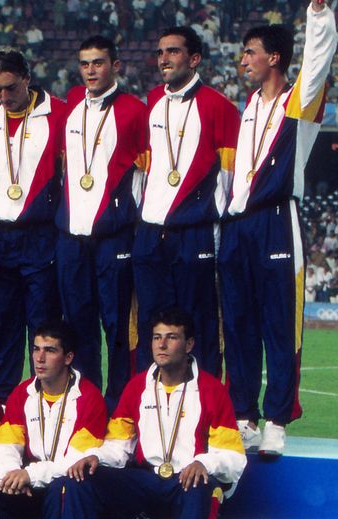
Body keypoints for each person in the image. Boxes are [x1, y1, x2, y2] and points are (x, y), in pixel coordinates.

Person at [221, 0, 338, 456]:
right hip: (240, 224)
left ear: (273, 57)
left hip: (276, 220)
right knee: (240, 323)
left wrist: (317, 15)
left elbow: (318, 59)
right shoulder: (248, 105)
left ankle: (277, 421)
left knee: (279, 325)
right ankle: (244, 415)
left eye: (250, 52)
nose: (243, 60)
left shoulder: (299, 101)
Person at [55, 308, 246, 519]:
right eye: (157, 337)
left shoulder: (211, 390)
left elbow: (234, 458)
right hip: (146, 482)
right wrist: (96, 457)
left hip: (185, 485)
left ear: (189, 344)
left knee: (205, 487)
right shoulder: (137, 387)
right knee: (80, 478)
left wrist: (203, 462)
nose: (162, 345)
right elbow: (118, 446)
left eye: (171, 337)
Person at [134, 26, 240, 376]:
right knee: (151, 322)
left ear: (194, 59)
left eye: (174, 51)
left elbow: (229, 176)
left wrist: (216, 223)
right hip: (151, 232)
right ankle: (150, 406)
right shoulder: (152, 102)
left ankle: (206, 404)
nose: (164, 58)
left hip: (194, 230)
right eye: (161, 51)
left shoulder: (219, 106)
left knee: (200, 322)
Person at [0, 320, 107, 519]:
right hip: (27, 487)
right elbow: (4, 446)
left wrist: (30, 475)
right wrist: (12, 475)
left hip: (59, 486)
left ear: (68, 357)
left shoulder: (89, 397)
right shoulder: (22, 393)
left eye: (50, 350)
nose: (39, 358)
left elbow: (75, 463)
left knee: (63, 486)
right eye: (35, 349)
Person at [57, 35, 148, 412]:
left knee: (117, 324)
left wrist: (131, 217)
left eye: (98, 62)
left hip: (114, 234)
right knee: (78, 323)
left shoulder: (134, 110)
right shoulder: (72, 106)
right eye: (85, 64)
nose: (91, 70)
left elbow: (145, 172)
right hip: (72, 236)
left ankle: (121, 402)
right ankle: (86, 400)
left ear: (116, 66)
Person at [0, 48, 66, 400]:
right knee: (1, 328)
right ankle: (0, 404)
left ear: (27, 79)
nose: (3, 97)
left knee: (42, 328)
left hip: (40, 235)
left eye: (10, 88)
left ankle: (48, 404)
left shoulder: (58, 114)